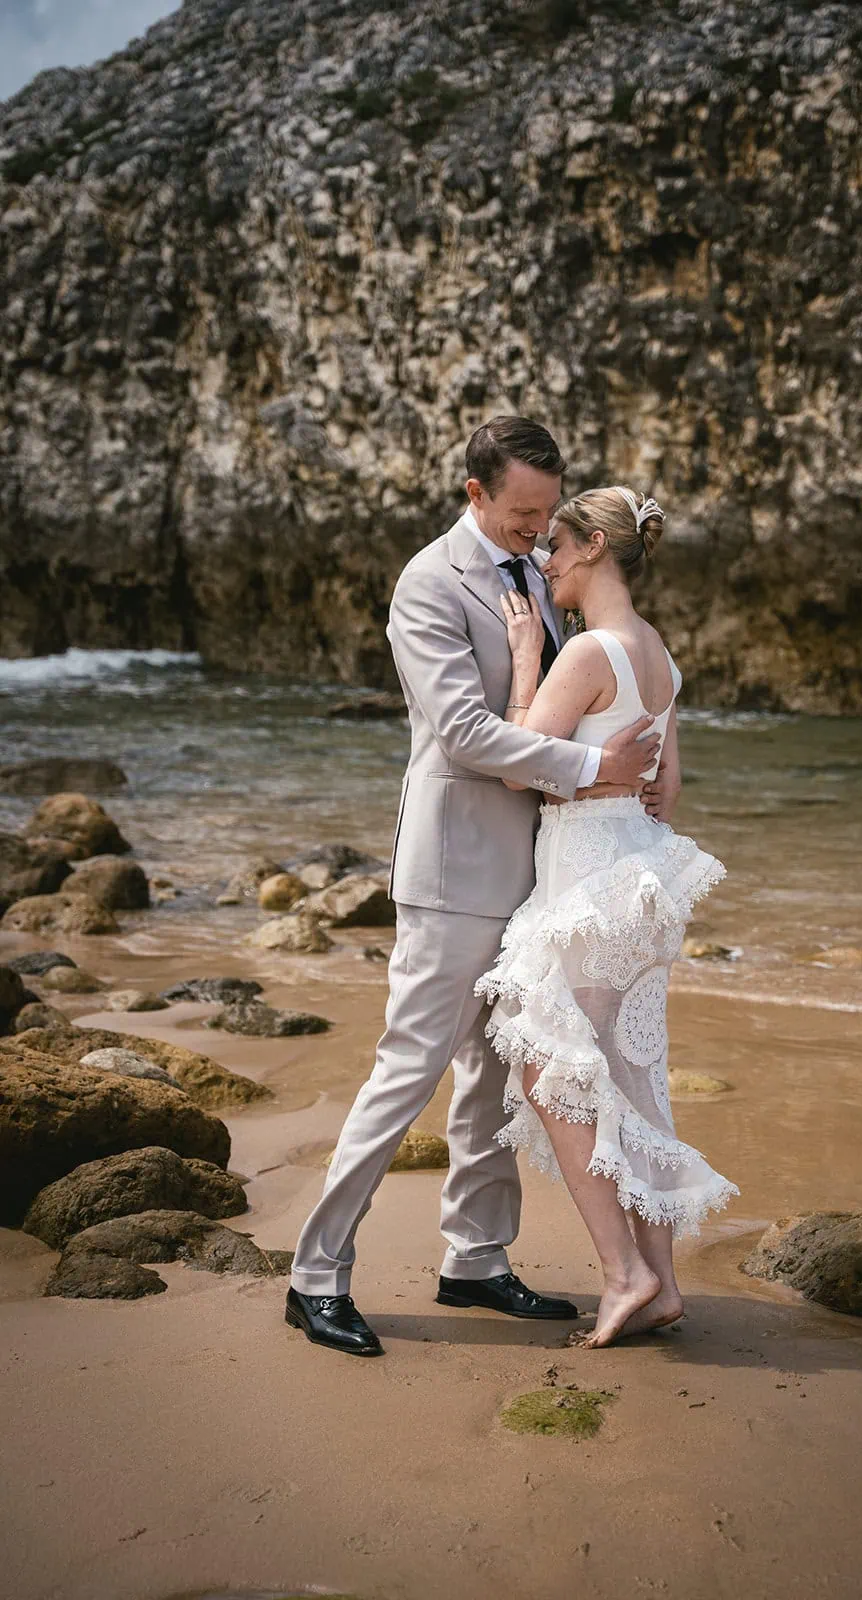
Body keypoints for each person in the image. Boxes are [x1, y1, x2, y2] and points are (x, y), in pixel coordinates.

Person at [285, 419, 665, 1357]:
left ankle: (476, 1259)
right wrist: (596, 769)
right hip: (454, 869)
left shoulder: (541, 570)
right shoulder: (428, 582)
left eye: (548, 513)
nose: (536, 530)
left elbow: (562, 699)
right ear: (475, 493)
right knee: (407, 1070)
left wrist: (624, 786)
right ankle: (315, 1276)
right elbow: (462, 731)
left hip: (541, 871)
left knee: (496, 1074)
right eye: (521, 511)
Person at [475, 485, 739, 1348]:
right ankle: (660, 1284)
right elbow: (666, 788)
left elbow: (519, 765)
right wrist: (610, 781)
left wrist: (524, 664)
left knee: (547, 1068)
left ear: (592, 545)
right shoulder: (657, 652)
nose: (544, 561)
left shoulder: (587, 651)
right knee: (628, 1079)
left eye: (554, 545)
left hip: (586, 876)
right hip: (642, 873)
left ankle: (626, 1275)